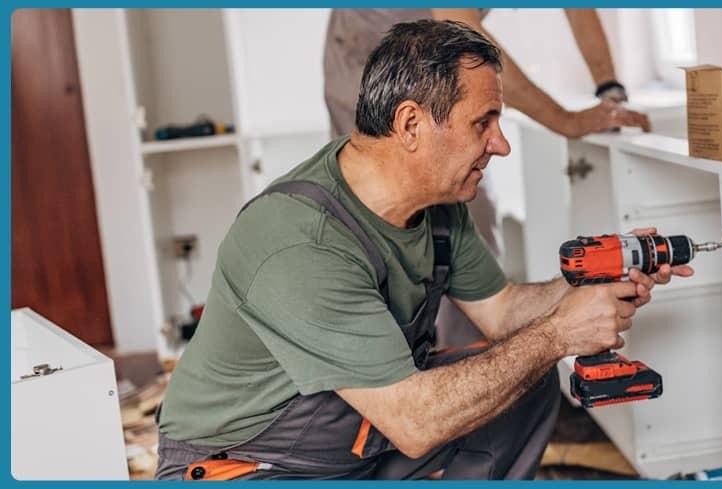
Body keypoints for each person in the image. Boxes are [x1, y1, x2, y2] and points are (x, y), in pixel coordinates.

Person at [156, 20, 690, 480]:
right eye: (484, 122)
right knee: (529, 357)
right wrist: (559, 333)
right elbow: (415, 423)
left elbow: (502, 313)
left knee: (523, 379)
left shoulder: (436, 200)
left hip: (356, 439)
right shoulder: (300, 241)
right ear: (411, 124)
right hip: (250, 464)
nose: (500, 144)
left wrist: (588, 283)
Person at [324, 9, 651, 349]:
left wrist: (610, 90)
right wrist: (564, 120)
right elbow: (465, 40)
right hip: (367, 50)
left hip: (433, 48)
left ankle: (469, 369)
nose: (501, 147)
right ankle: (391, 369)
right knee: (383, 216)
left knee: (466, 209)